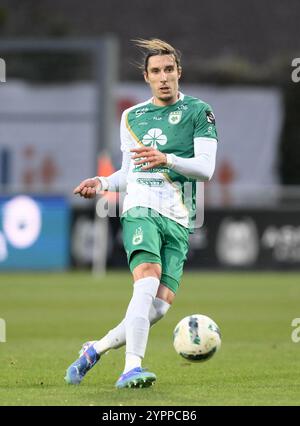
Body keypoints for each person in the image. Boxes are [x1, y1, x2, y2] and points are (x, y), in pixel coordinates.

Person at [65, 38, 218, 389]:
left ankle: (96, 349)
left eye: (168, 70)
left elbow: (206, 169)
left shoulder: (200, 112)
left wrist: (168, 159)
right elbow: (129, 174)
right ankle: (131, 367)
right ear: (146, 77)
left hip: (180, 217)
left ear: (179, 72)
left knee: (159, 309)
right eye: (155, 72)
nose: (163, 77)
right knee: (146, 279)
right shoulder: (132, 117)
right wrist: (102, 181)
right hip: (141, 207)